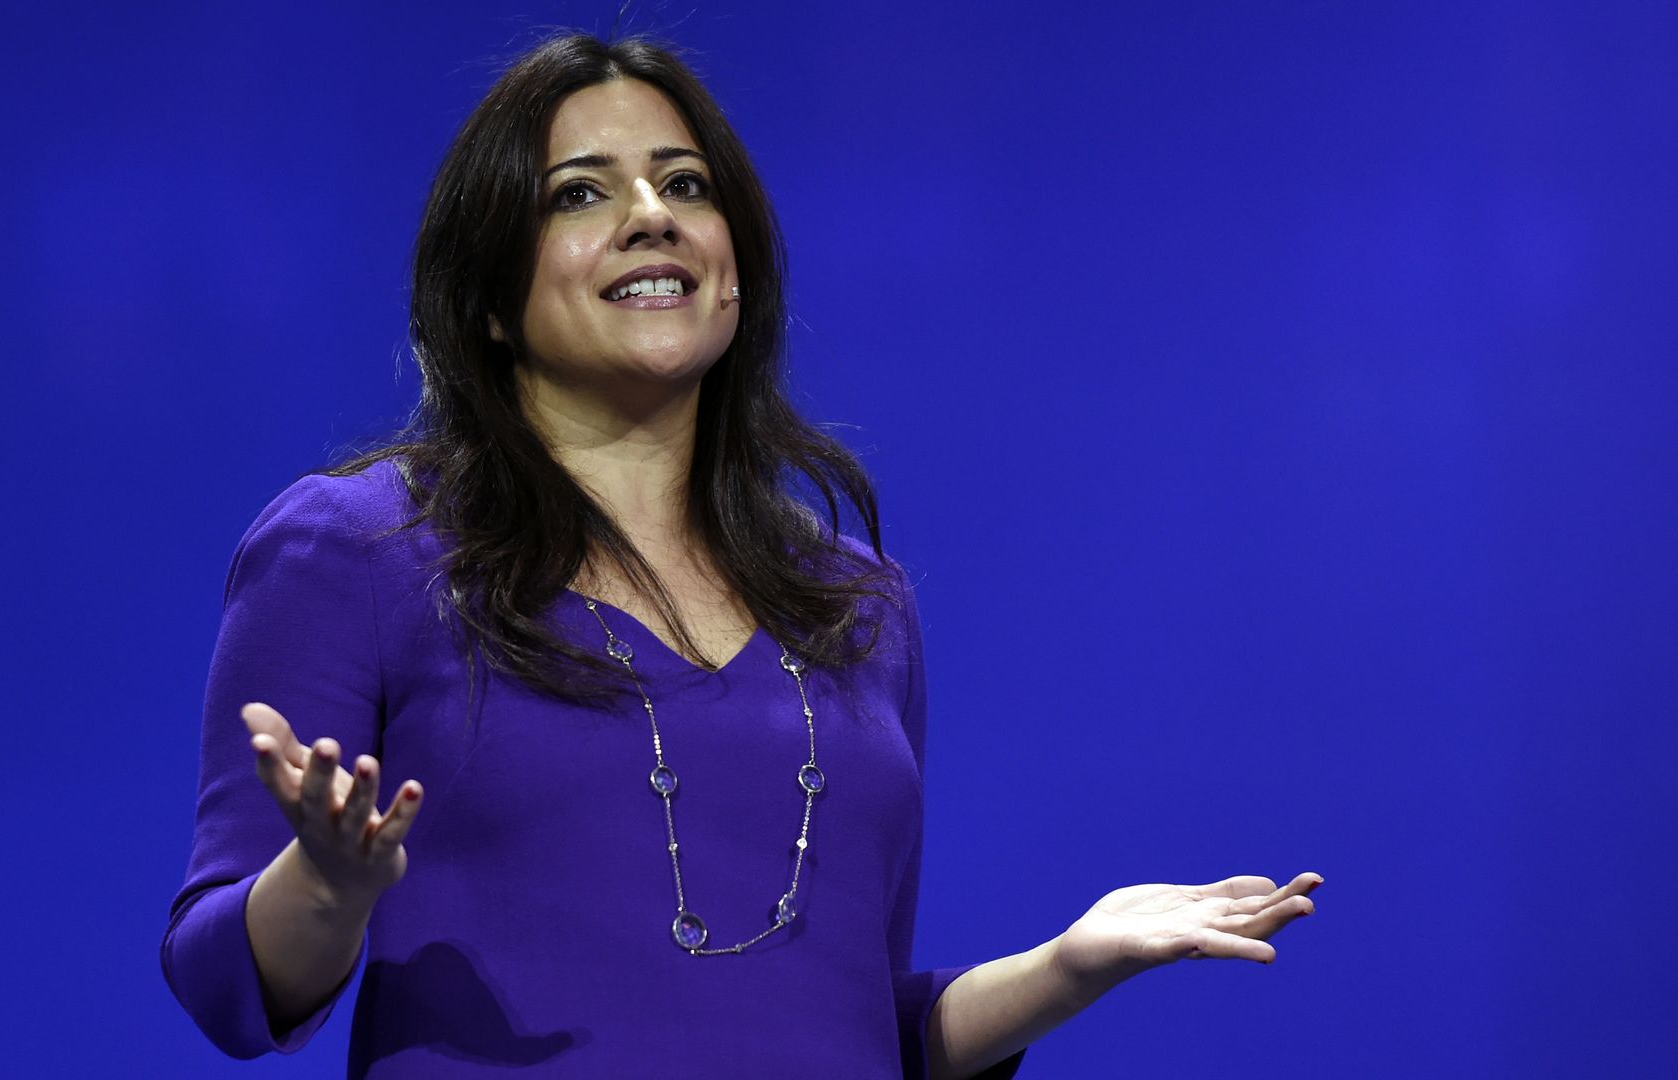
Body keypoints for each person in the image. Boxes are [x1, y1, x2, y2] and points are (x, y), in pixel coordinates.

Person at [160, 32, 1322, 1080]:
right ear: (490, 303)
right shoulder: (360, 548)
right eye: (580, 193)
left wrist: (1067, 966)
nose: (651, 214)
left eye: (685, 184)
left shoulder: (856, 606)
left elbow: (858, 1022)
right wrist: (330, 884)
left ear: (736, 264)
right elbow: (224, 981)